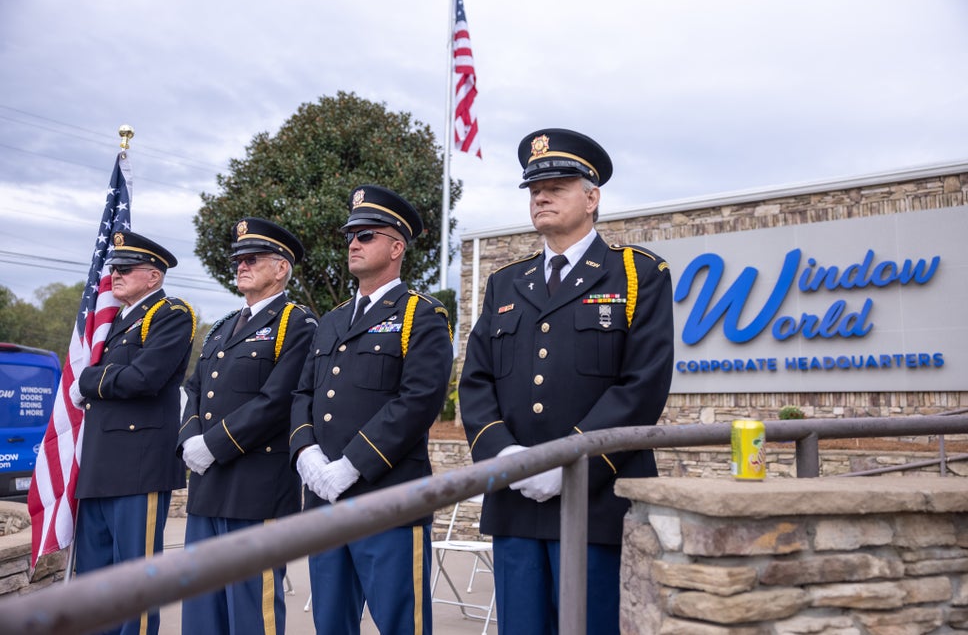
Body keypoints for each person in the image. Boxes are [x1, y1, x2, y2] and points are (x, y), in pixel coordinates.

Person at [458, 128, 675, 634]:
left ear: (592, 196)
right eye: (535, 188)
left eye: (557, 184)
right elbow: (476, 381)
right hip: (514, 505)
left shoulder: (636, 274)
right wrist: (504, 458)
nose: (542, 195)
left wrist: (568, 464)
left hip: (597, 501)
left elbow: (641, 386)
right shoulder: (506, 283)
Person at [289, 185, 453, 635]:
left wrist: (352, 464)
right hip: (324, 499)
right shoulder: (332, 320)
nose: (353, 244)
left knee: (401, 624)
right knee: (330, 624)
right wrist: (306, 454)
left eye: (367, 235)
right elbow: (302, 393)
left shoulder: (422, 315)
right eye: (350, 236)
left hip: (389, 500)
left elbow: (418, 400)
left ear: (396, 247)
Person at [177, 218, 317, 635]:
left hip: (257, 488)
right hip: (208, 487)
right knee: (202, 609)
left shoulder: (298, 324)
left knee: (250, 612)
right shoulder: (222, 328)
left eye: (252, 259)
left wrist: (213, 445)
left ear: (281, 268)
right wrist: (188, 440)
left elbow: (276, 401)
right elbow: (194, 388)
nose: (240, 265)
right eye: (238, 259)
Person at [73, 231, 196, 635]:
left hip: (138, 467)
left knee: (134, 584)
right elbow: (123, 375)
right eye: (113, 269)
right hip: (99, 467)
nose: (114, 277)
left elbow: (145, 378)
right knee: (94, 585)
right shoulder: (110, 323)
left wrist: (88, 380)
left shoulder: (169, 314)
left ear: (153, 277)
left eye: (125, 270)